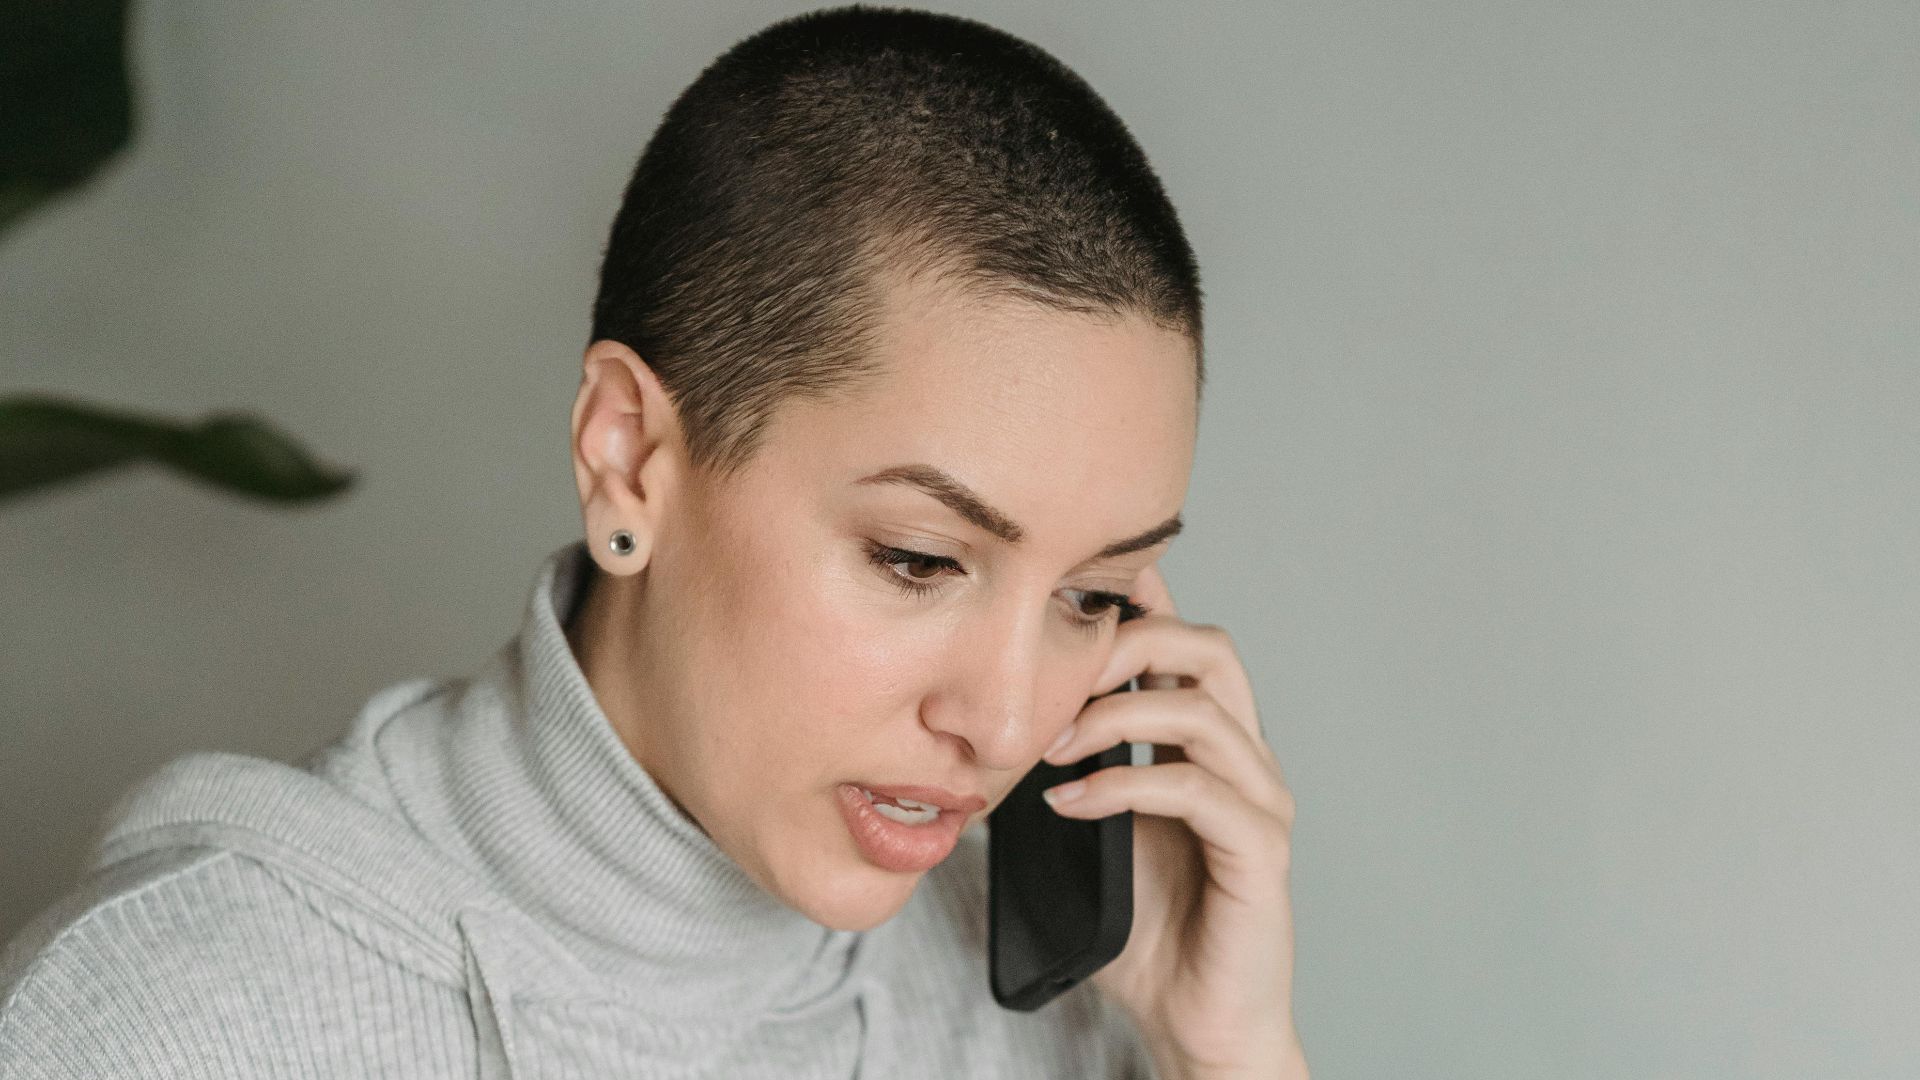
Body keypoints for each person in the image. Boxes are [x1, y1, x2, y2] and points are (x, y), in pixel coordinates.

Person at [0, 7, 1305, 1078]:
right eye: (919, 560)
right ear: (628, 458)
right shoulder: (168, 1022)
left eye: (1090, 595)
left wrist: (1227, 1054)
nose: (1007, 722)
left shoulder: (1065, 1019)